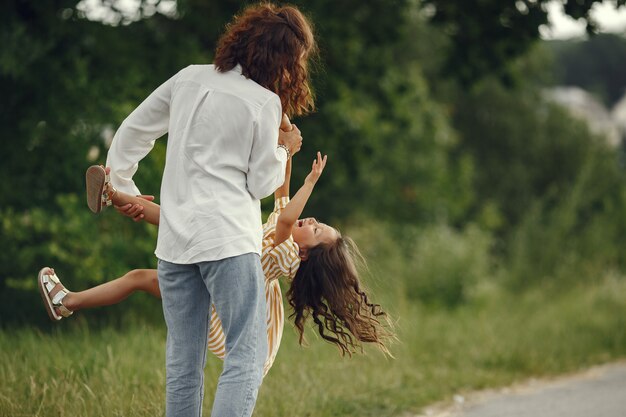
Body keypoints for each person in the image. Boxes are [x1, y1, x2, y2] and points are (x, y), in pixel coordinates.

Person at [88, 4, 313, 416]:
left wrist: (122, 183)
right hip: (228, 240)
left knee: (183, 363)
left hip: (175, 244)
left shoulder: (187, 78)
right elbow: (262, 185)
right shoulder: (264, 104)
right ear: (281, 57)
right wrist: (285, 148)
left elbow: (135, 129)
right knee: (246, 354)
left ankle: (116, 190)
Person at [38, 149, 393, 380]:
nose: (312, 220)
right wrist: (286, 147)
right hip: (220, 286)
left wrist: (311, 181)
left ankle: (114, 197)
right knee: (144, 270)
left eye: (316, 230)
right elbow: (280, 192)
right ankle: (67, 299)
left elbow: (287, 218)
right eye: (317, 221)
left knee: (176, 237)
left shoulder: (287, 256)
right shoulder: (276, 230)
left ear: (306, 256)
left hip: (225, 316)